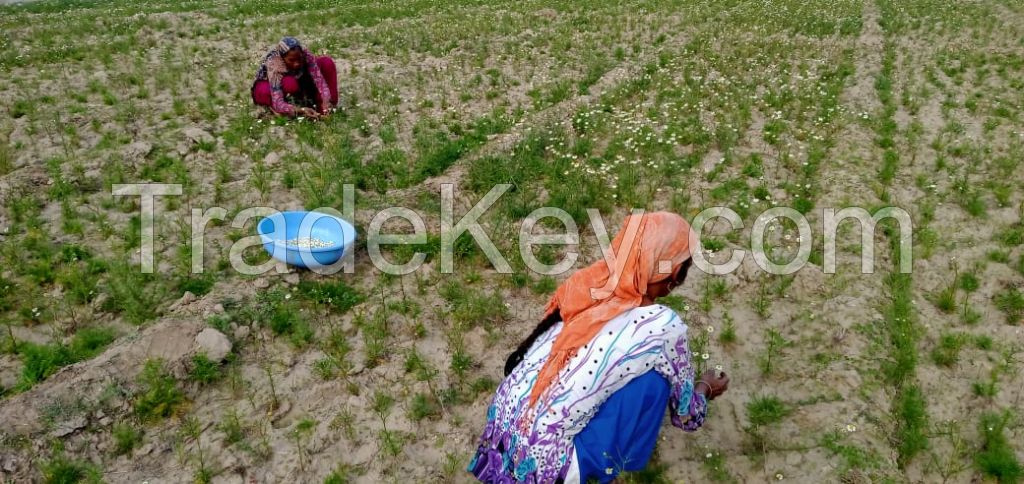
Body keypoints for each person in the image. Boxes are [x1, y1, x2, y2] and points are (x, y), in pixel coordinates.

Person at [468, 212, 730, 483]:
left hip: (501, 428)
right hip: (543, 463)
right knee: (654, 381)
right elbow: (687, 416)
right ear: (674, 273)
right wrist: (706, 388)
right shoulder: (663, 325)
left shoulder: (587, 285)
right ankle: (603, 467)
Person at [251, 37, 338, 119]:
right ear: (283, 58)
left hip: (299, 83)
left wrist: (326, 100)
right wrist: (300, 110)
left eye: (299, 59)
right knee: (289, 84)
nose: (296, 64)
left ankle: (323, 107)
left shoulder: (306, 55)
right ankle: (283, 109)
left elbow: (320, 82)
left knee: (326, 62)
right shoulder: (275, 64)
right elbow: (278, 102)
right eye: (291, 60)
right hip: (273, 88)